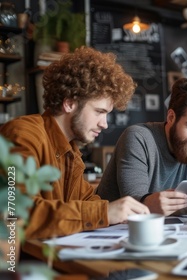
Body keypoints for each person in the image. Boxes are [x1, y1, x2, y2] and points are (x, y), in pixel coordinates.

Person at [0, 47, 150, 239]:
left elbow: (88, 202)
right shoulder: (22, 134)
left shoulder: (71, 153)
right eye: (99, 112)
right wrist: (104, 213)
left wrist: (121, 211)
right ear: (70, 103)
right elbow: (14, 211)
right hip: (18, 266)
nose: (104, 124)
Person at [96, 78, 187, 216]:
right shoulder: (138, 138)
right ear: (171, 117)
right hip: (109, 230)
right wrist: (150, 203)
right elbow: (133, 205)